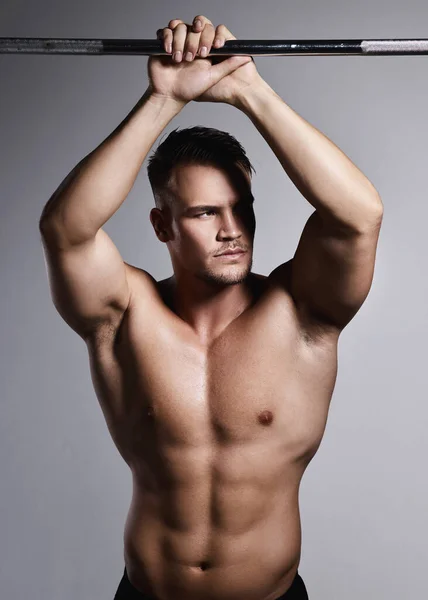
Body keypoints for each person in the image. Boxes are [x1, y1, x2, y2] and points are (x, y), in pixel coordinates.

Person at [38, 14, 384, 600]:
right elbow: (66, 230)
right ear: (161, 224)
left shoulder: (299, 312)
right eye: (204, 213)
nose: (232, 230)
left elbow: (358, 216)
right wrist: (163, 97)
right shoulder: (125, 315)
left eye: (240, 207)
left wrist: (249, 90)